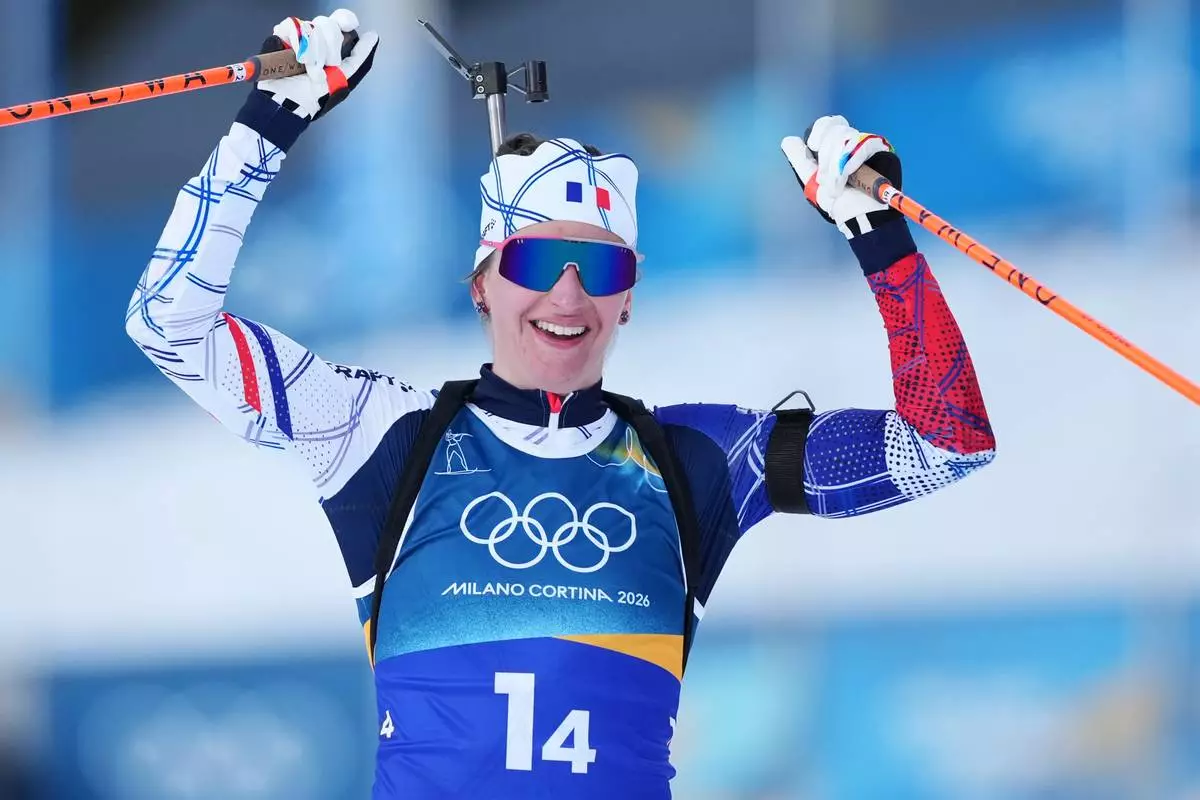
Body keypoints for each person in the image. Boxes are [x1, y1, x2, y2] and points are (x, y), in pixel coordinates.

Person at [125, 10, 997, 799]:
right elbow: (169, 323)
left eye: (604, 270)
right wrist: (272, 121)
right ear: (482, 285)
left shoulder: (696, 459)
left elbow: (945, 442)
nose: (569, 299)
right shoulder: (379, 434)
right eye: (540, 264)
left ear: (631, 296)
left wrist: (877, 238)